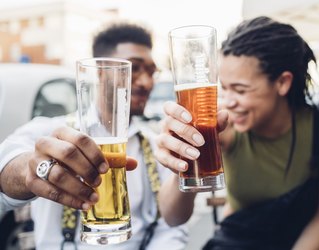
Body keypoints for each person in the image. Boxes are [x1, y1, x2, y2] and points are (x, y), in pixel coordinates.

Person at [155, 16, 319, 249]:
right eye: (224, 88)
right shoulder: (223, 127)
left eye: (240, 89)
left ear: (283, 82)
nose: (228, 101)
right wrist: (182, 164)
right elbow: (173, 217)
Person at [0, 22, 187, 250]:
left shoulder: (153, 142)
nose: (147, 82)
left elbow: (171, 227)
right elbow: (7, 161)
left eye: (151, 71)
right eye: (134, 68)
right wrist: (29, 170)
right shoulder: (52, 131)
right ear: (100, 72)